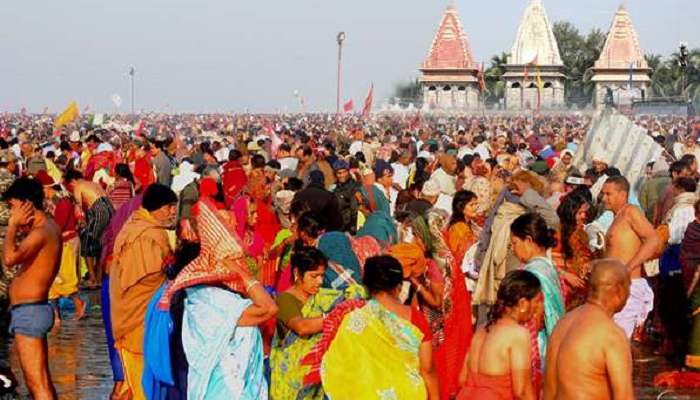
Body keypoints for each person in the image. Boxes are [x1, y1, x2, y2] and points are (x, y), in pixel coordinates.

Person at [319, 255, 439, 400]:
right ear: (399, 286)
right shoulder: (415, 318)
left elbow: (339, 365)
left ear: (367, 285)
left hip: (365, 394)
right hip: (407, 393)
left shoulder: (354, 318)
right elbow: (427, 369)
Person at [109, 184, 177, 399]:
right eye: (169, 207)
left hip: (129, 316)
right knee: (142, 385)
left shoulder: (137, 226)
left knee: (134, 382)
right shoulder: (147, 235)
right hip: (137, 319)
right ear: (156, 208)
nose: (173, 212)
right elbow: (146, 278)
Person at [3, 177, 62, 400]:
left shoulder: (41, 231)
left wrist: (12, 226)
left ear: (26, 203)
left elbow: (9, 258)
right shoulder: (46, 227)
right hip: (32, 309)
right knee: (42, 380)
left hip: (30, 311)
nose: (12, 212)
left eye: (13, 206)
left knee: (36, 383)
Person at [543, 259, 633, 400]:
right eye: (629, 287)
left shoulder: (562, 324)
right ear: (619, 290)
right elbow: (624, 396)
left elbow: (548, 393)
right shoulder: (611, 335)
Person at [456, 270, 541, 400]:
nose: (539, 307)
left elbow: (462, 379)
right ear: (523, 303)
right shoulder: (517, 334)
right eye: (537, 301)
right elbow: (522, 391)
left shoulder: (482, 330)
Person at [510, 212, 565, 392]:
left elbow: (535, 317)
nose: (513, 249)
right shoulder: (549, 267)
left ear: (529, 240)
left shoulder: (533, 273)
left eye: (514, 243)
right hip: (555, 342)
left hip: (538, 346)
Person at [602, 175, 659, 338]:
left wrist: (628, 268)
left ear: (622, 194)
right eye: (603, 194)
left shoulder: (630, 211)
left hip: (629, 285)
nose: (604, 198)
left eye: (608, 194)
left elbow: (653, 239)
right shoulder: (617, 217)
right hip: (615, 286)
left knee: (618, 340)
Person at [270, 246, 328, 400]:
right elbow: (301, 327)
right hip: (290, 378)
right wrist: (334, 317)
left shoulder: (322, 298)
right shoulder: (285, 300)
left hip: (314, 379)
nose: (320, 281)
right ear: (297, 273)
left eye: (322, 276)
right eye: (314, 276)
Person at [36, 171, 86, 325]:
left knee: (64, 278)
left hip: (65, 243)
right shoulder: (52, 201)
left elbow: (59, 226)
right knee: (51, 280)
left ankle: (78, 305)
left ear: (47, 188)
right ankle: (56, 316)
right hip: (58, 242)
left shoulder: (62, 202)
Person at [64, 169, 115, 289]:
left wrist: (79, 224)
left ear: (73, 181)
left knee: (88, 244)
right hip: (109, 209)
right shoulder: (92, 183)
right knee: (100, 245)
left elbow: (79, 210)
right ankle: (98, 278)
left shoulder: (78, 186)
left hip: (98, 211)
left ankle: (92, 279)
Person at [556, 190, 596, 309]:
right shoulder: (557, 233)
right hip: (564, 291)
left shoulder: (582, 234)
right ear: (570, 213)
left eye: (584, 213)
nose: (584, 216)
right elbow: (546, 262)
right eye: (579, 213)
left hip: (581, 292)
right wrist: (566, 275)